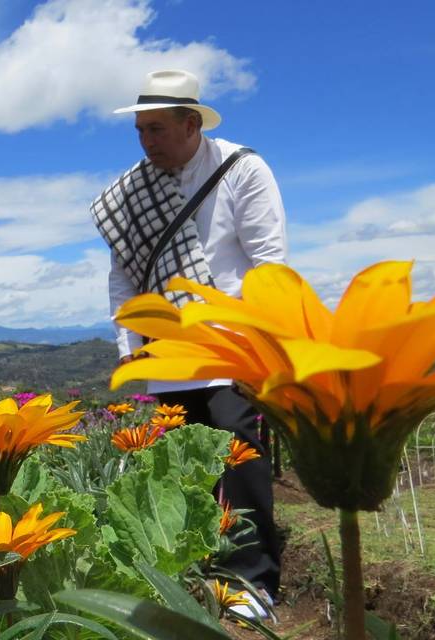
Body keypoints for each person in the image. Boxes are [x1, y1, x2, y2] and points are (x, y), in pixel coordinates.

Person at [91, 70, 286, 610]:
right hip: (167, 351)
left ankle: (252, 584)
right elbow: (124, 276)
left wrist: (260, 346)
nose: (147, 141)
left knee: (238, 460)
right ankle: (197, 576)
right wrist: (129, 347)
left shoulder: (242, 171)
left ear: (191, 123)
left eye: (157, 129)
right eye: (140, 131)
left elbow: (268, 265)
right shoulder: (132, 189)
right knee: (179, 467)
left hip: (230, 347)